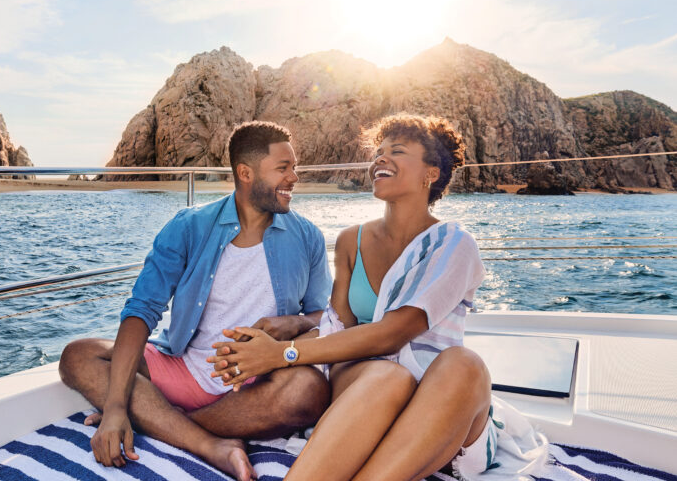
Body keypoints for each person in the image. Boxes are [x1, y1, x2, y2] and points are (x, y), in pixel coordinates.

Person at [209, 113, 549, 481]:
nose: (380, 159)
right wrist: (256, 353)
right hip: (365, 386)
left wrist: (283, 353)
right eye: (378, 152)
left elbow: (393, 334)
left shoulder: (454, 245)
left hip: (436, 408)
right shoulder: (351, 241)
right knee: (388, 377)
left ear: (431, 173)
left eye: (396, 151)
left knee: (465, 365)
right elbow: (334, 329)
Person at [59, 120, 332, 481]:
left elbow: (326, 317)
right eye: (283, 168)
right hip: (184, 369)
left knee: (309, 391)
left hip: (257, 384)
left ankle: (165, 422)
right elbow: (141, 310)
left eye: (294, 167)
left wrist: (296, 322)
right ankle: (210, 444)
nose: (294, 177)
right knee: (78, 356)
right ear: (245, 173)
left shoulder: (308, 237)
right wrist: (114, 411)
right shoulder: (190, 226)